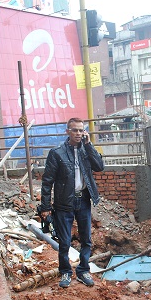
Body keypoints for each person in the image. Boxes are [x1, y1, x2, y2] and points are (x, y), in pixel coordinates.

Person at [39, 117, 104, 288]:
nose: (78, 133)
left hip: (83, 200)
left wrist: (89, 145)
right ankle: (66, 272)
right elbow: (47, 181)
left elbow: (99, 166)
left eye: (81, 130)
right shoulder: (57, 153)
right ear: (67, 131)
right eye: (74, 130)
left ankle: (83, 271)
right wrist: (45, 206)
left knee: (86, 239)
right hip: (63, 203)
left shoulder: (86, 150)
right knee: (65, 241)